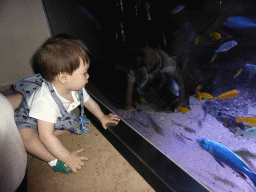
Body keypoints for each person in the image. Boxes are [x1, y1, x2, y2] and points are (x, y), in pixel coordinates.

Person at [11, 34, 120, 174]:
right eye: (84, 73)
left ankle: (46, 132)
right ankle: (52, 160)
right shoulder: (45, 101)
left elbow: (88, 101)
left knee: (64, 126)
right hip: (28, 119)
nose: (88, 76)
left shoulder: (75, 87)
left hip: (50, 117)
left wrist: (102, 117)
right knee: (28, 138)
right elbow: (46, 136)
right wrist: (67, 157)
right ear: (63, 78)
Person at [118, 42, 185, 118]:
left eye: (142, 54)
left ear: (156, 51)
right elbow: (130, 86)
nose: (138, 59)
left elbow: (179, 79)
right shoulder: (136, 63)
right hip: (146, 77)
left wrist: (182, 98)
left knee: (175, 88)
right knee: (138, 89)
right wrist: (129, 105)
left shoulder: (166, 60)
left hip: (161, 75)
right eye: (138, 55)